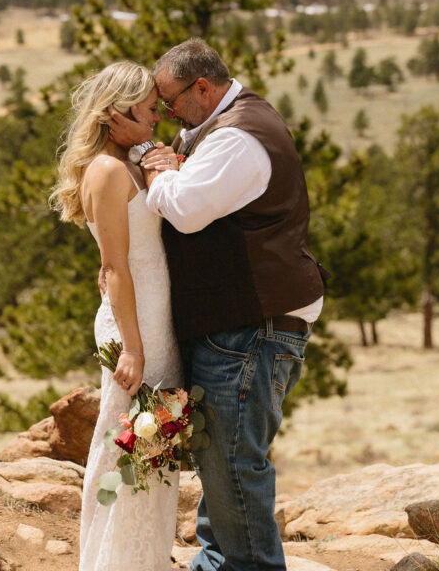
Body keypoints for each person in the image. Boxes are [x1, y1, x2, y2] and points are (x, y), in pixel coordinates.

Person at [109, 39, 326, 571]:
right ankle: (217, 563)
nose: (163, 113)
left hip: (252, 325)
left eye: (169, 100)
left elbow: (183, 210)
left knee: (232, 464)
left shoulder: (239, 139)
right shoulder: (215, 128)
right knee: (221, 460)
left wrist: (159, 166)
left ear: (202, 88)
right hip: (239, 321)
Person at [52, 60, 182, 571]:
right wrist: (132, 347)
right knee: (126, 448)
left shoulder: (129, 162)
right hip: (138, 326)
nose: (156, 120)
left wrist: (157, 159)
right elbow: (115, 267)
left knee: (151, 454)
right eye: (149, 111)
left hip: (154, 320)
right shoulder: (107, 171)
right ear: (116, 112)